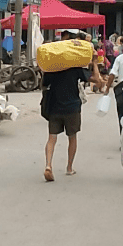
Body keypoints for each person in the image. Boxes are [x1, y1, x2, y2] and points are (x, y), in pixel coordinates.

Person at [40, 31, 102, 181]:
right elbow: (97, 80)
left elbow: (43, 86)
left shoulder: (51, 70)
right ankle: (69, 168)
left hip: (54, 106)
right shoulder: (75, 69)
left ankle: (48, 165)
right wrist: (94, 63)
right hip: (72, 107)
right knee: (72, 138)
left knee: (51, 138)